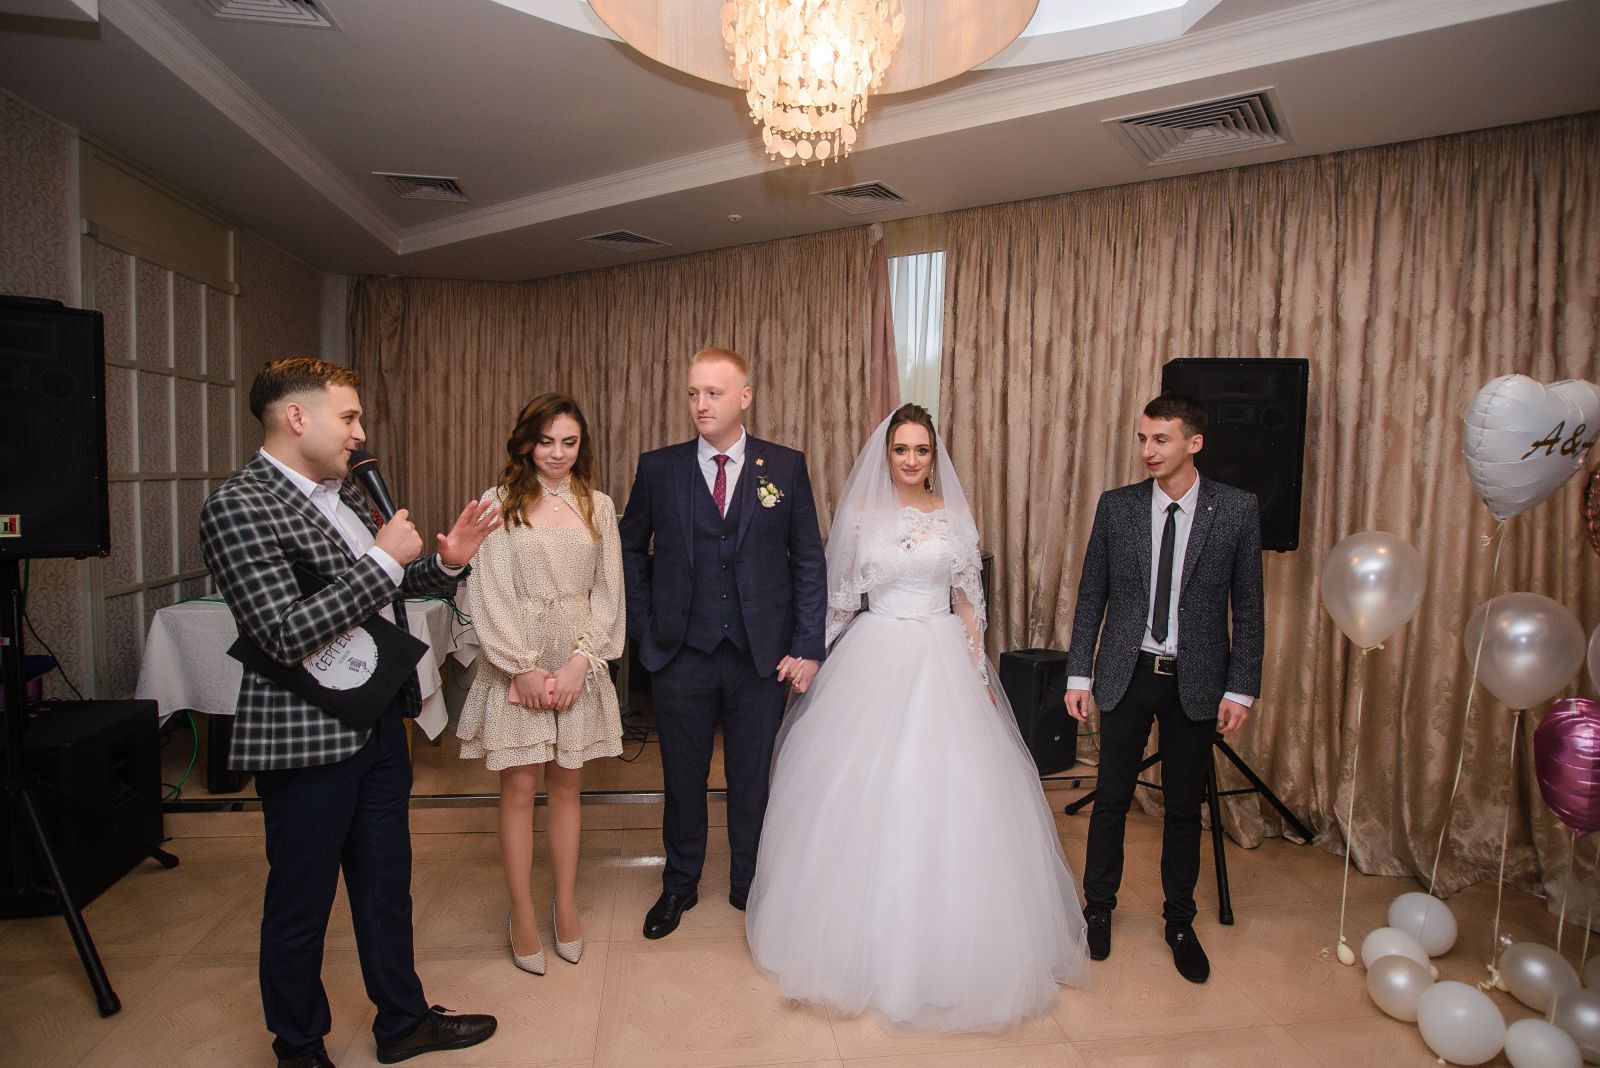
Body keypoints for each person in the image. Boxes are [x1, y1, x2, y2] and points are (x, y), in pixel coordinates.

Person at [745, 403, 1090, 1031]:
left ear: (934, 456)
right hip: (873, 651)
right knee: (859, 789)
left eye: (921, 450)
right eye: (901, 449)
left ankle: (948, 943)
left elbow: (968, 602)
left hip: (941, 656)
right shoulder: (859, 515)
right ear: (887, 454)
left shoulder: (955, 515)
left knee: (947, 793)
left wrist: (978, 674)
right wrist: (813, 656)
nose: (910, 460)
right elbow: (840, 599)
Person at [198, 357, 500, 1068]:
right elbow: (283, 632)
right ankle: (299, 1047)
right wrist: (383, 562)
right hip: (305, 738)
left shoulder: (349, 494)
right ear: (295, 416)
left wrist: (445, 563)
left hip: (377, 721)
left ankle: (403, 1022)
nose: (361, 433)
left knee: (385, 887)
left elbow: (377, 594)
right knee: (301, 905)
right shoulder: (238, 506)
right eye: (349, 416)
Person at [619, 347, 828, 938]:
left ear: (745, 397)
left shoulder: (783, 467)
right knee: (682, 777)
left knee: (751, 777)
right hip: (679, 653)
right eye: (693, 393)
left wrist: (808, 645)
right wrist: (645, 624)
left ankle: (749, 882)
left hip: (759, 656)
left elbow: (807, 559)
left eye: (713, 393)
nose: (701, 404)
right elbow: (628, 547)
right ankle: (679, 882)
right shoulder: (659, 468)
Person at [1063, 392, 1264, 984]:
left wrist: (1241, 688)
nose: (1148, 450)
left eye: (1161, 439)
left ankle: (1180, 921)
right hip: (1126, 673)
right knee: (1111, 800)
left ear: (1193, 443)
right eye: (1143, 439)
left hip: (1196, 681)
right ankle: (1097, 909)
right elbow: (1091, 594)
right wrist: (1080, 672)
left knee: (1183, 808)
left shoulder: (1236, 509)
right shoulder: (1118, 506)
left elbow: (1249, 607)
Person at [456, 393, 624, 975]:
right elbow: (489, 590)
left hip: (578, 661)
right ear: (526, 442)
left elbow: (609, 592)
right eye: (546, 441)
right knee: (520, 788)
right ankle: (523, 912)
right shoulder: (497, 503)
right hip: (518, 660)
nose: (557, 453)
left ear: (582, 445)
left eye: (569, 442)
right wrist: (521, 666)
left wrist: (582, 661)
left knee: (568, 785)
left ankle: (566, 903)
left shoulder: (599, 506)